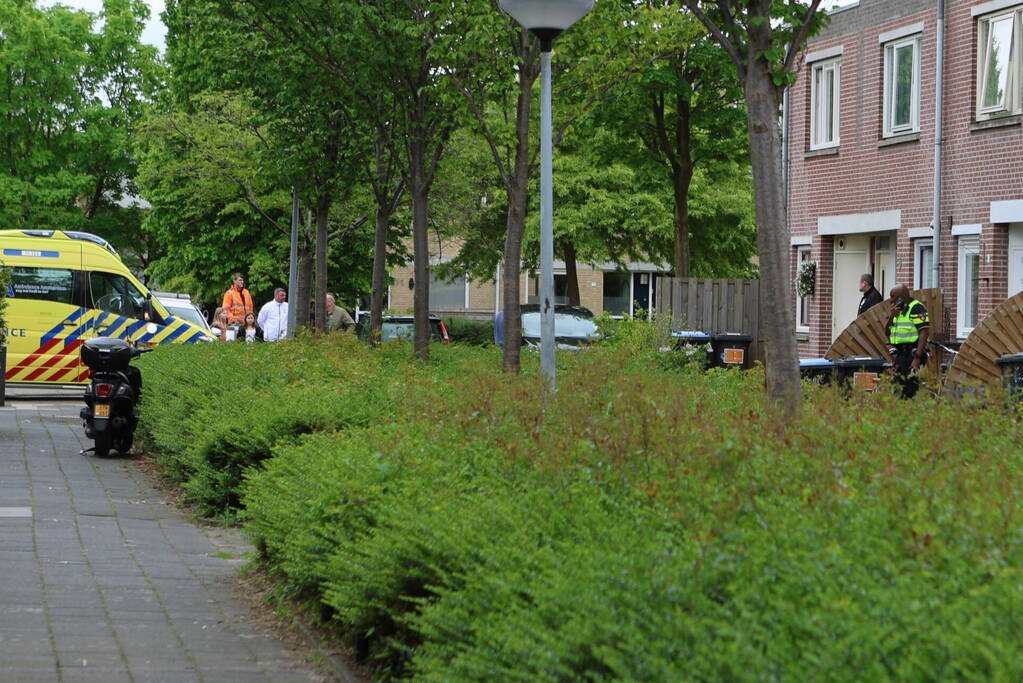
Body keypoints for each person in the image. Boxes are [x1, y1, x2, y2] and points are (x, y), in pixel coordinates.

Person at [885, 284, 930, 399]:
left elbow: (924, 333)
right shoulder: (897, 311)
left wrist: (917, 358)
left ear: (901, 298)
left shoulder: (916, 308)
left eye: (893, 296)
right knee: (897, 389)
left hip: (912, 355)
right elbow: (887, 333)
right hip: (900, 356)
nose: (890, 299)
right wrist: (891, 317)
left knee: (910, 391)